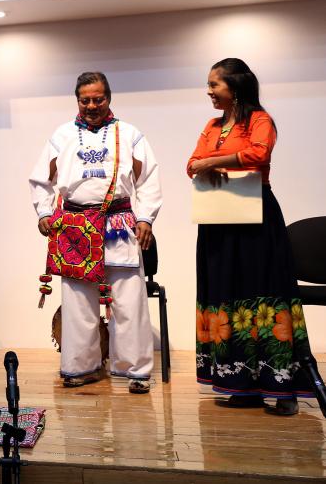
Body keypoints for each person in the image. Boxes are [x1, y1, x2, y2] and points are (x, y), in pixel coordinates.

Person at [188, 58, 313, 416]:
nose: (209, 91)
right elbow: (190, 163)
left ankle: (283, 390)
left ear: (236, 86)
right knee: (226, 295)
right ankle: (242, 385)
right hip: (217, 218)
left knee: (265, 294)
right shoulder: (212, 125)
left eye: (215, 84)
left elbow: (258, 153)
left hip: (255, 217)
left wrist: (212, 163)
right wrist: (211, 161)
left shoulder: (260, 120)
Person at [30, 72, 162, 394]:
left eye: (98, 99)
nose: (91, 105)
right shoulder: (61, 136)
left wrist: (145, 219)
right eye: (85, 100)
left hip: (118, 223)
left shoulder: (130, 134)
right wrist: (45, 212)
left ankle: (134, 370)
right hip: (75, 227)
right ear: (77, 100)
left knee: (128, 299)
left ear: (109, 98)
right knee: (77, 302)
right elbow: (40, 180)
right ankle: (80, 367)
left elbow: (148, 181)